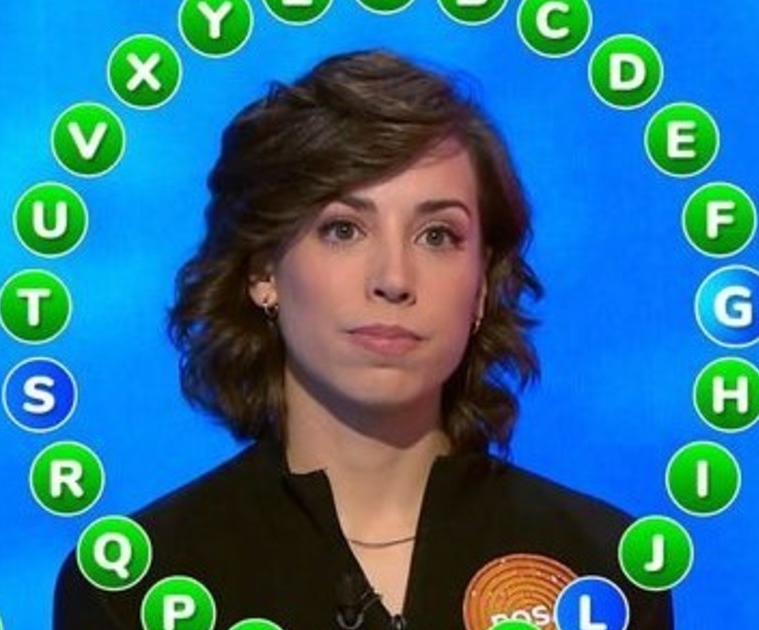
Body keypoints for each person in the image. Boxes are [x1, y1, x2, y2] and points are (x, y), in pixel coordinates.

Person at [54, 49, 674, 629]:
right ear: (263, 271)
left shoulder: (601, 574)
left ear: (483, 285)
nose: (394, 279)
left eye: (437, 236)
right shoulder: (135, 585)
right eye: (344, 229)